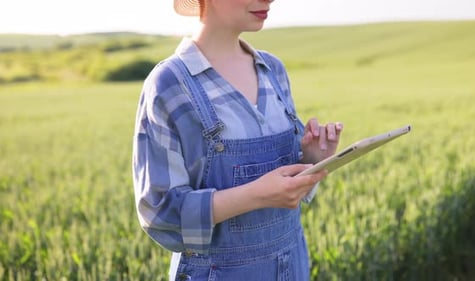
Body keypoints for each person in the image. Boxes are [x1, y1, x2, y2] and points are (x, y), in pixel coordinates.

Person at [132, 0, 343, 279]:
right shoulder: (170, 83)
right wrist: (256, 195)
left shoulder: (273, 70)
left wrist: (312, 160)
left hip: (292, 266)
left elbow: (286, 185)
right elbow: (160, 213)